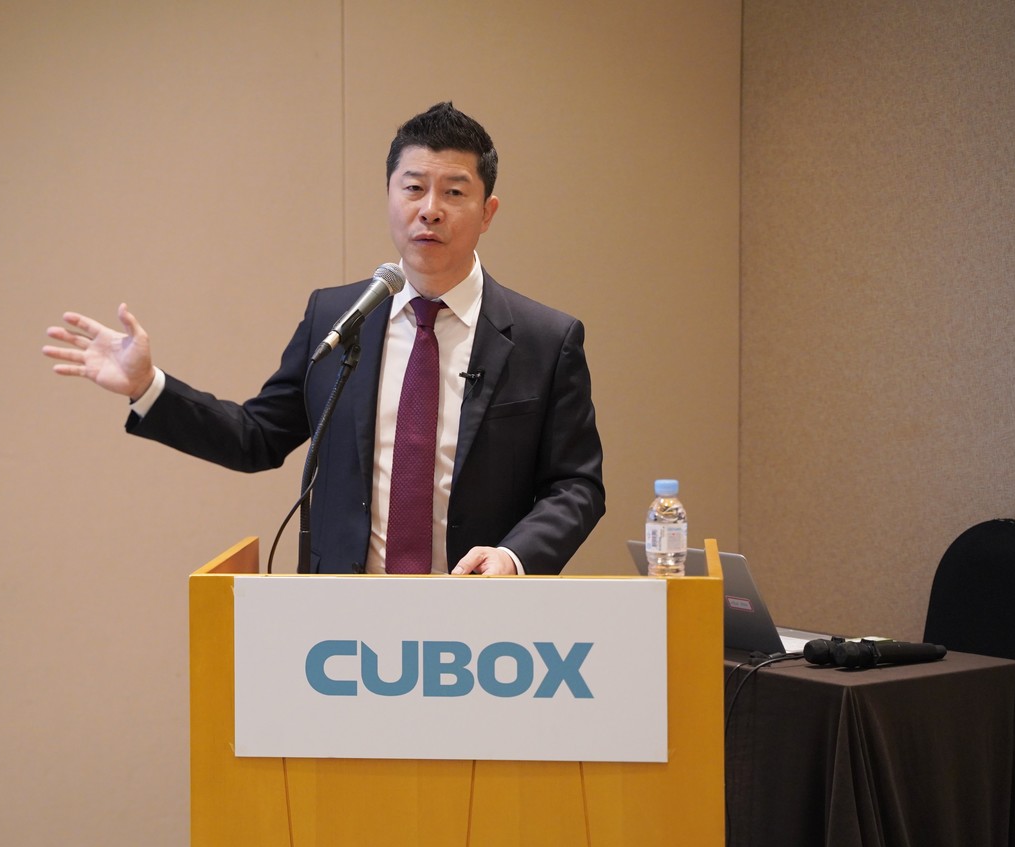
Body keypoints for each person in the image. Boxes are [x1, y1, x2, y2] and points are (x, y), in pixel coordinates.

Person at [43, 102, 604, 575]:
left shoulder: (544, 339)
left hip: (483, 622)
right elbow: (257, 437)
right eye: (413, 188)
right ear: (390, 195)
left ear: (487, 212)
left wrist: (513, 556)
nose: (430, 210)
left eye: (454, 192)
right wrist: (148, 386)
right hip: (339, 622)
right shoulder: (337, 318)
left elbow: (576, 485)